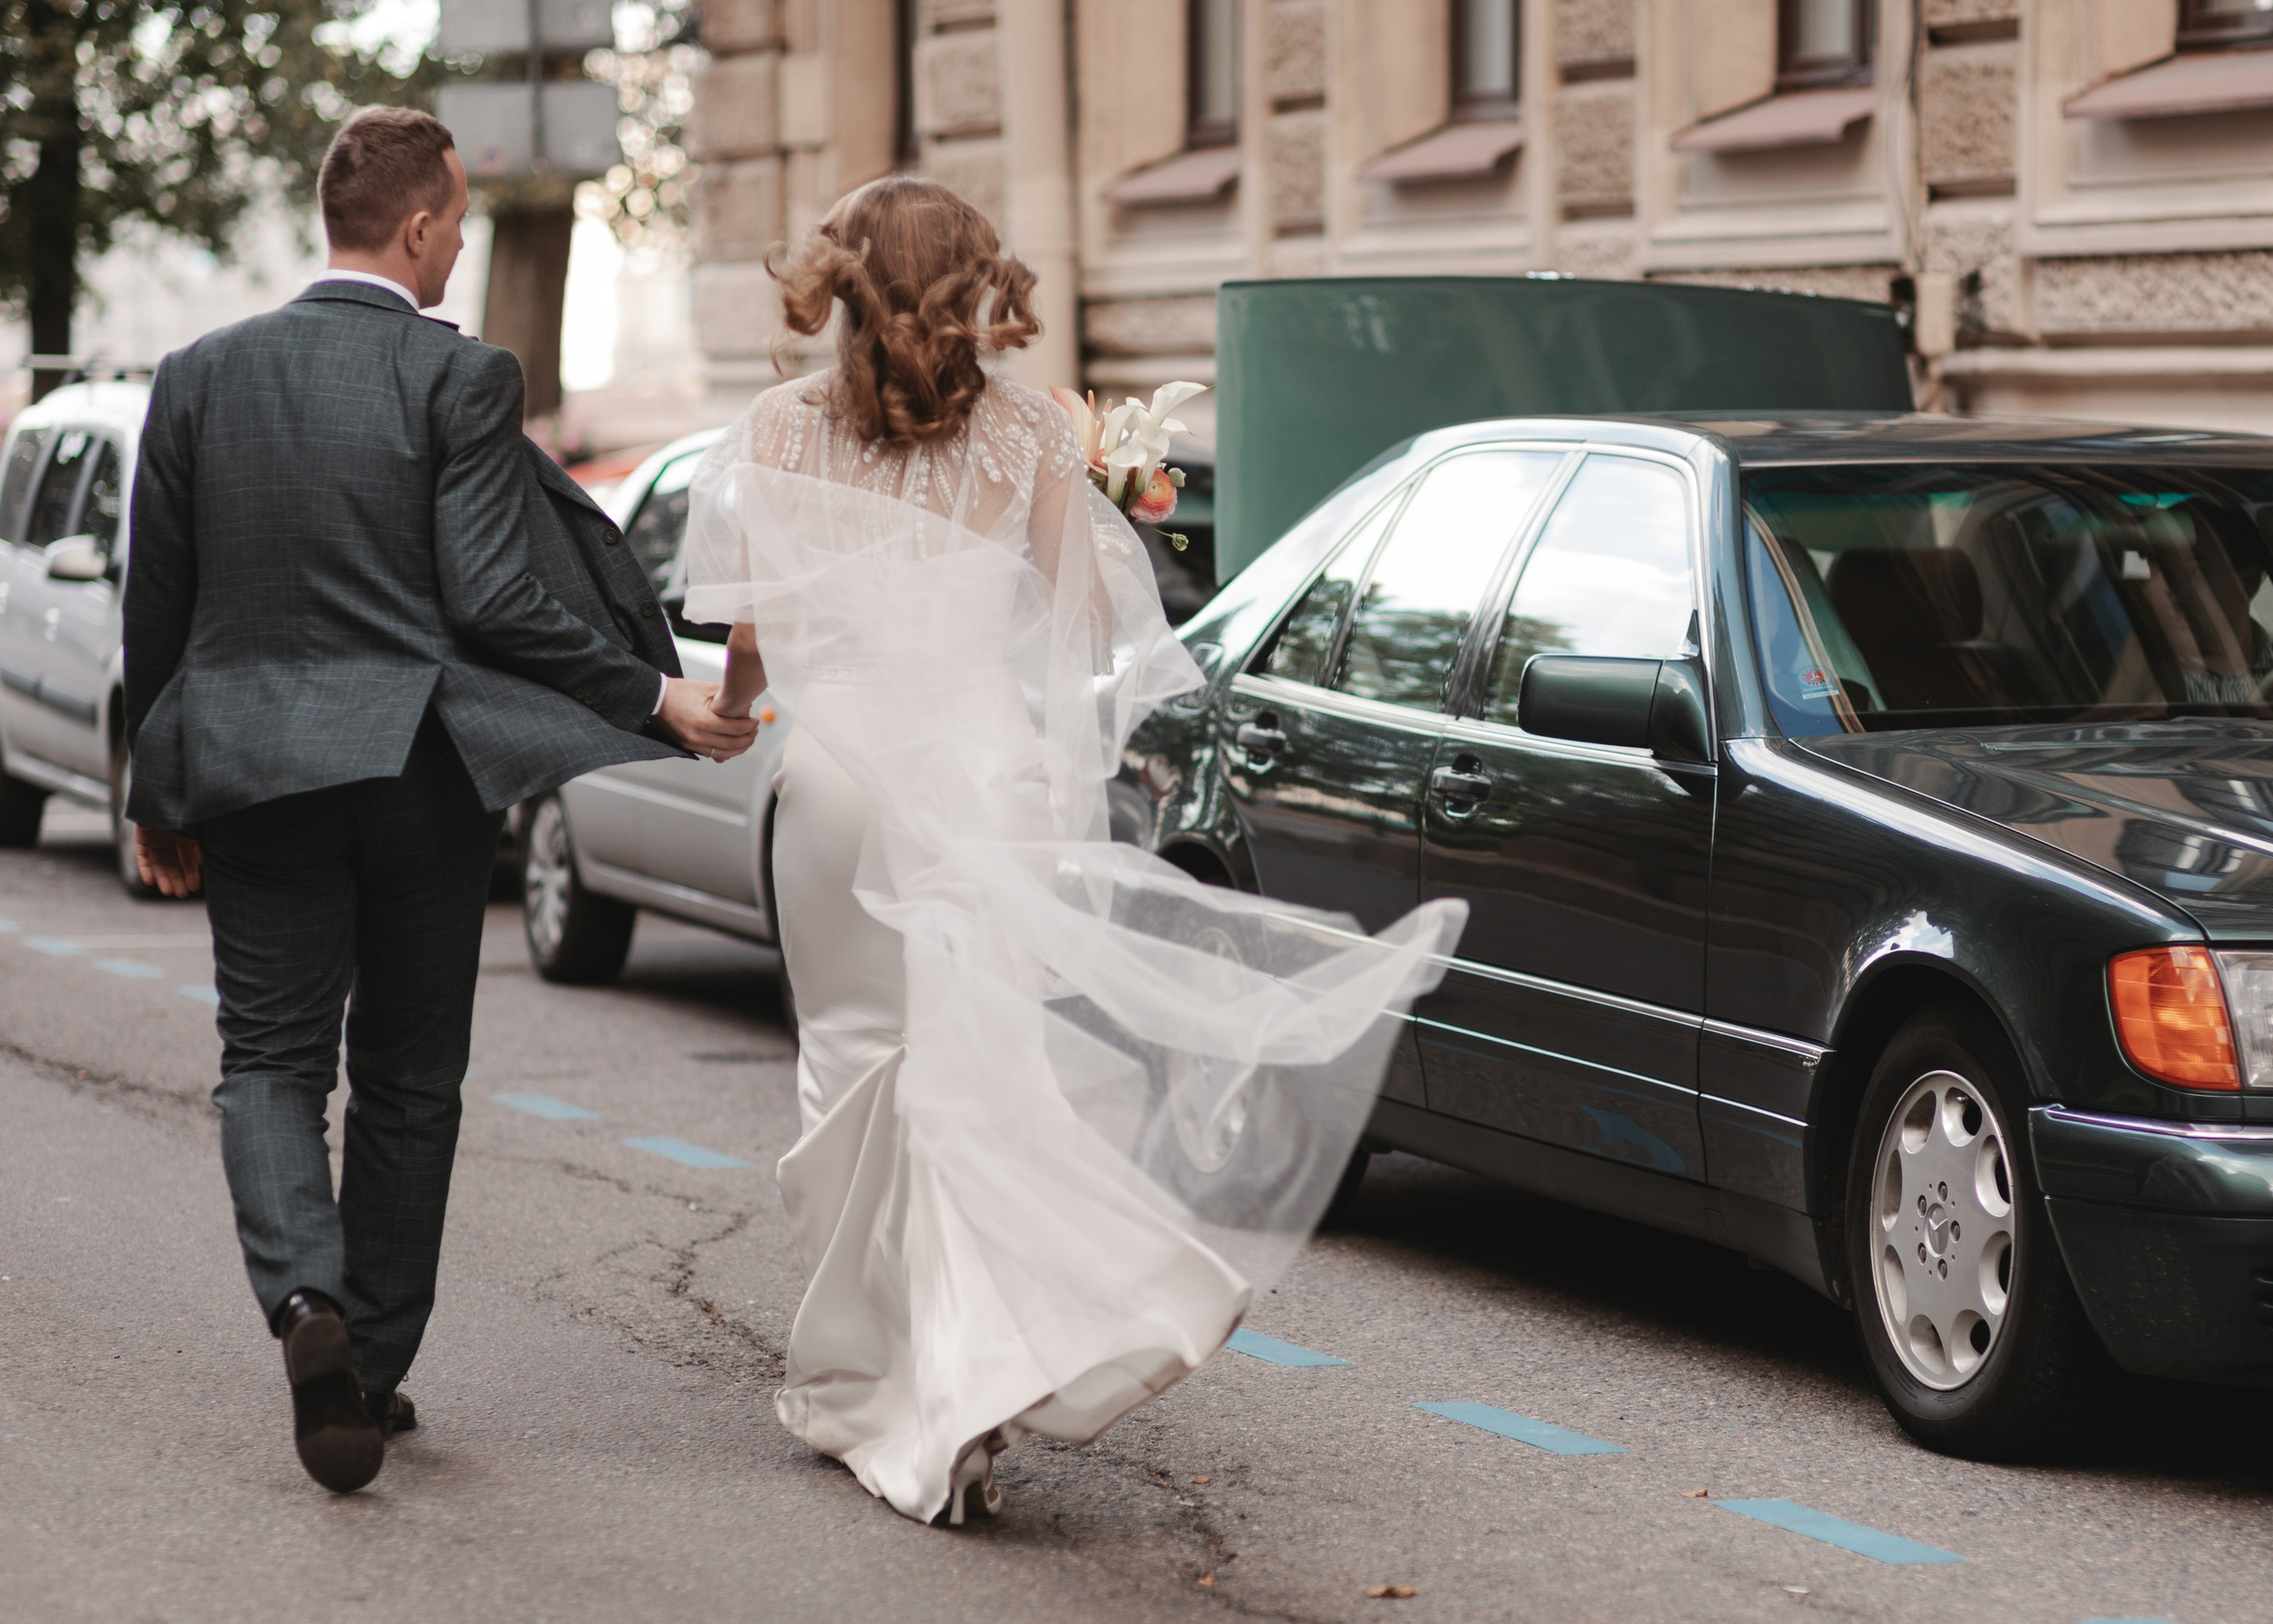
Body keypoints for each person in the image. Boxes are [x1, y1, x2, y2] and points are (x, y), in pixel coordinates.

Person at [683, 176, 1463, 1527]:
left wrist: (740, 710)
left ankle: (869, 1379)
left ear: (843, 282)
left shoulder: (775, 430)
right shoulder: (1035, 436)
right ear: (975, 282)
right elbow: (1072, 645)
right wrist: (1056, 778)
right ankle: (972, 1373)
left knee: (853, 1067)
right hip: (986, 774)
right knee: (981, 1080)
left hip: (842, 782)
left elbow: (754, 635)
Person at [121, 107, 759, 1494]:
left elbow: (154, 612)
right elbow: (495, 596)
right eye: (461, 222)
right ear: (416, 227)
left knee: (270, 1061)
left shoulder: (197, 376)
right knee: (410, 1077)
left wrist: (151, 787)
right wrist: (656, 697)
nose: (465, 246)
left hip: (254, 777)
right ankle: (376, 1367)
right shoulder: (459, 379)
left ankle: (308, 1307)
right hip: (418, 777)